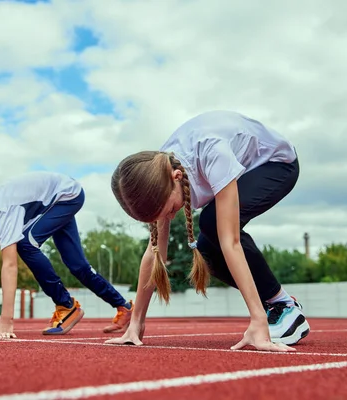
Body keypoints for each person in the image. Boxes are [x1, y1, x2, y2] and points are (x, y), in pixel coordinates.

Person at [106, 110, 310, 352]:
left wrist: (258, 321)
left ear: (177, 177)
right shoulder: (155, 174)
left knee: (212, 223)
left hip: (275, 165)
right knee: (204, 252)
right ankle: (277, 304)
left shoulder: (213, 154)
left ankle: (282, 306)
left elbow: (230, 241)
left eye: (170, 210)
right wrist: (136, 323)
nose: (170, 218)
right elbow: (155, 252)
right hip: (238, 164)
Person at [0, 171, 133, 339]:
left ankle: (67, 305)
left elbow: (9, 266)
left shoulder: (3, 213)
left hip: (67, 195)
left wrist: (6, 320)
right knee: (77, 265)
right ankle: (123, 306)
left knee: (25, 244)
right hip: (53, 200)